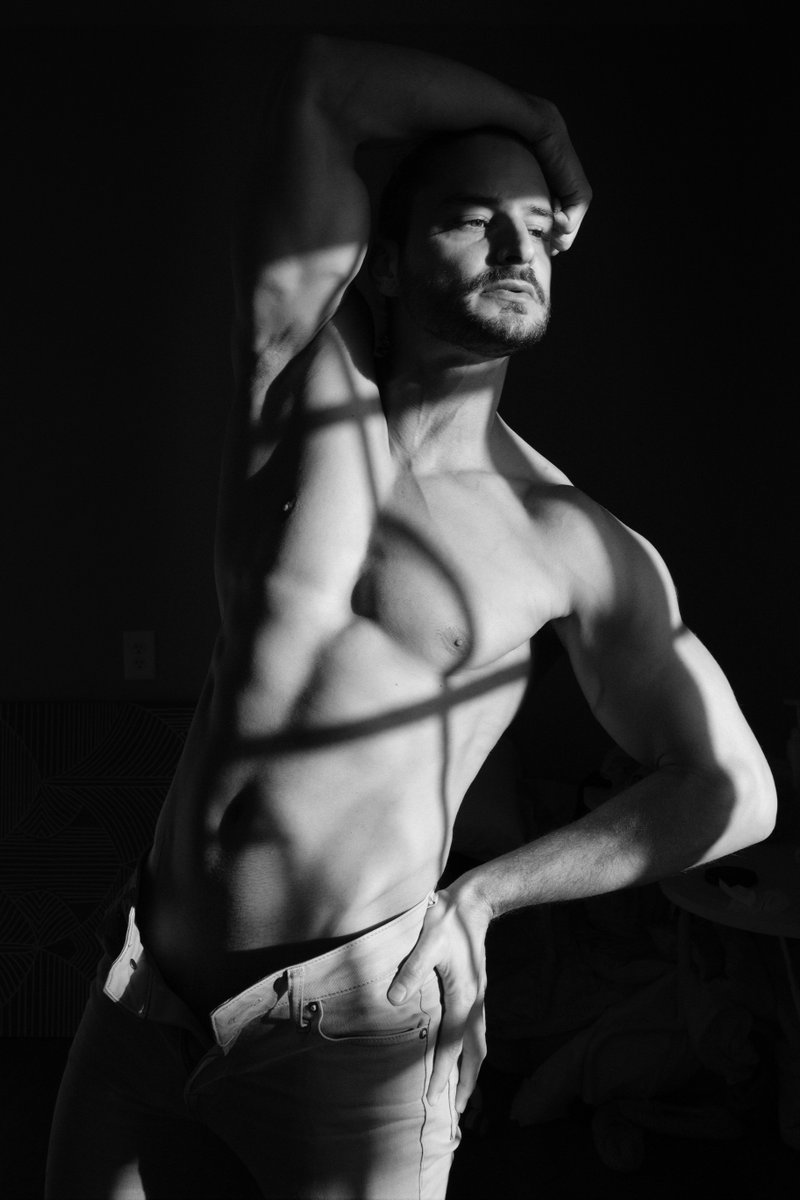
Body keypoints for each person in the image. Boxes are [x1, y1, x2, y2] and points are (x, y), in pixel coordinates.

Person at [45, 32, 776, 1200]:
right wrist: (541, 126)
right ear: (382, 264)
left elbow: (731, 791)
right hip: (146, 990)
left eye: (537, 227)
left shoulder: (567, 539)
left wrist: (483, 896)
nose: (517, 248)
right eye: (474, 220)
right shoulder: (298, 384)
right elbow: (319, 84)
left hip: (346, 1032)